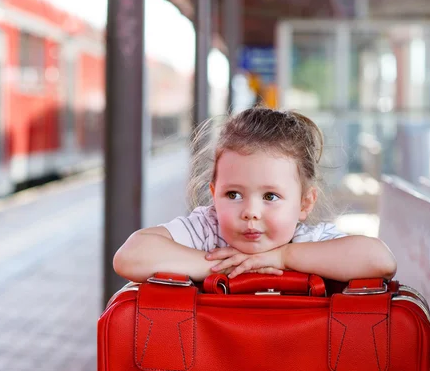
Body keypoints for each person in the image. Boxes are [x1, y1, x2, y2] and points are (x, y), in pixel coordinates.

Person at [113, 107, 397, 283]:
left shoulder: (307, 241)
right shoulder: (207, 231)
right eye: (233, 194)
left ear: (304, 203)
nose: (250, 212)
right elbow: (130, 256)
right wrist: (227, 267)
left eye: (270, 196)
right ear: (214, 195)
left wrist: (284, 257)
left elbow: (381, 261)